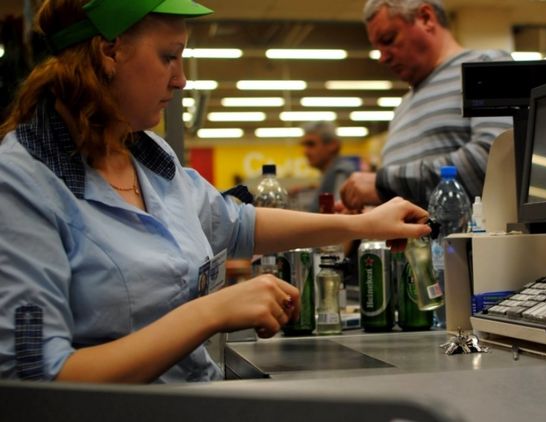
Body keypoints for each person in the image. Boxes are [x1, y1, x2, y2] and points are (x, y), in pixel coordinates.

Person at [0, 0, 430, 384]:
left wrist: (364, 223)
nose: (181, 80)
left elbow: (239, 224)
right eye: (169, 57)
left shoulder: (149, 158)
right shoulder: (23, 182)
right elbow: (38, 377)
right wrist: (212, 311)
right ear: (108, 52)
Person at [339, 0, 513, 210]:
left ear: (426, 18)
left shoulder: (485, 66)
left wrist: (383, 184)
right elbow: (403, 197)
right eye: (377, 48)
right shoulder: (402, 107)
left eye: (388, 39)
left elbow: (494, 162)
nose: (382, 58)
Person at [299, 121, 356, 212]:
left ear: (332, 145)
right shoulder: (331, 173)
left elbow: (340, 213)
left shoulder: (341, 172)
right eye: (304, 145)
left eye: (311, 144)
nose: (305, 151)